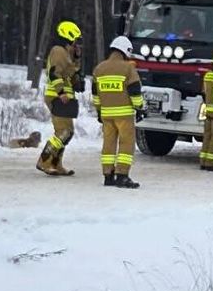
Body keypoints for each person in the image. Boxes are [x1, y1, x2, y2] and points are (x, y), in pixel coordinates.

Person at [91, 36, 144, 189]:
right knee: (126, 144)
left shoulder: (99, 68)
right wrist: (139, 107)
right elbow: (134, 90)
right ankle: (122, 176)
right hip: (124, 115)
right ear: (125, 51)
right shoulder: (128, 68)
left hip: (107, 115)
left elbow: (95, 94)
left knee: (108, 144)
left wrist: (99, 111)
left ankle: (108, 176)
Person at [37, 20, 85, 176]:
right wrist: (61, 92)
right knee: (63, 132)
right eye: (76, 40)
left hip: (64, 97)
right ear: (69, 36)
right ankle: (44, 161)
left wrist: (77, 57)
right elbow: (54, 73)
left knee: (68, 132)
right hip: (57, 97)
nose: (77, 43)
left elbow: (71, 72)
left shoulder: (66, 54)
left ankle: (56, 164)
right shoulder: (58, 51)